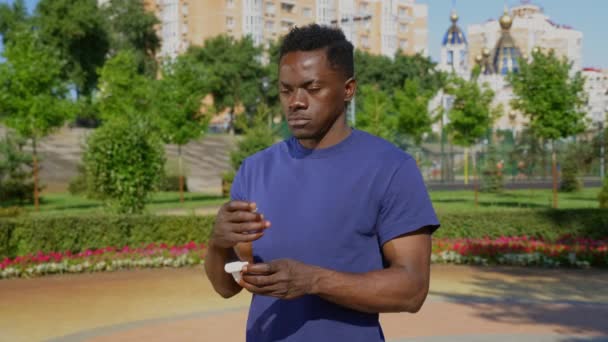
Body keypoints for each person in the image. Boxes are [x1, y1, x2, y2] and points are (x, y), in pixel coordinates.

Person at [205, 24, 440, 342]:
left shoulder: (391, 168)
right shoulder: (254, 170)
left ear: (348, 89)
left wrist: (313, 281)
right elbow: (226, 286)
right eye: (286, 90)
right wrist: (218, 244)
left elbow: (412, 290)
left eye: (311, 88)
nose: (295, 102)